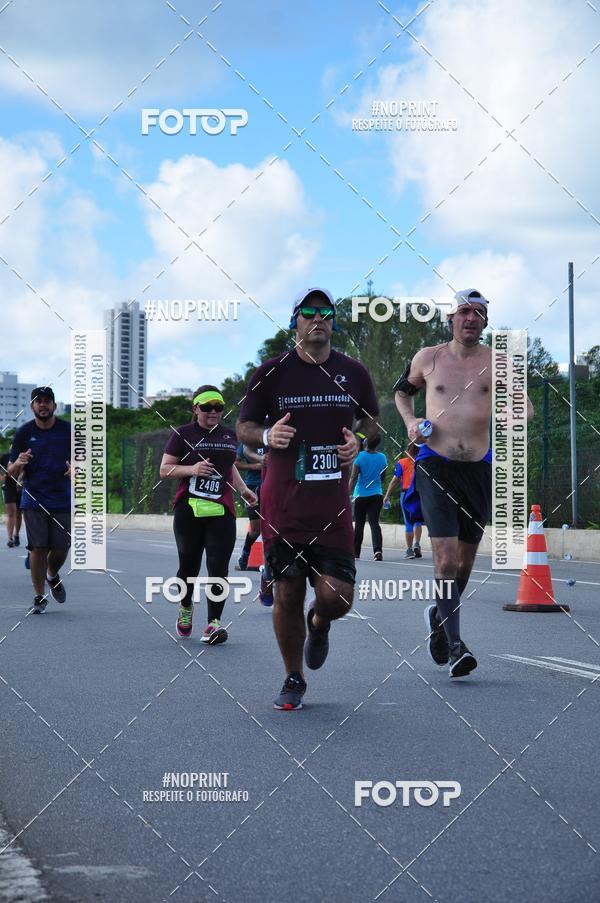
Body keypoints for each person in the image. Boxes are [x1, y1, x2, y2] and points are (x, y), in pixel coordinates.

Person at [237, 287, 379, 710]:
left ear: (332, 321)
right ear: (295, 320)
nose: (317, 318)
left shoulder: (353, 372)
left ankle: (319, 623)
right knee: (287, 593)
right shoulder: (271, 372)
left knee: (338, 596)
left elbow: (372, 420)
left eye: (325, 312)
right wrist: (266, 436)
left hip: (333, 508)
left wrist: (360, 440)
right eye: (308, 312)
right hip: (283, 506)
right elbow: (243, 426)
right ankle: (293, 676)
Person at [394, 289, 534, 678]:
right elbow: (402, 393)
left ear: (486, 321)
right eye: (464, 312)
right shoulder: (428, 358)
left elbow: (527, 406)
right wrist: (409, 423)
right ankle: (456, 646)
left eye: (479, 313)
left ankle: (440, 620)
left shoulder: (498, 362)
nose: (471, 318)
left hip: (479, 468)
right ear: (451, 319)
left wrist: (514, 412)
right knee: (445, 559)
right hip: (434, 464)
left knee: (465, 563)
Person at [160, 385, 257, 643]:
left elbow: (229, 468)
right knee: (188, 567)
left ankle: (213, 624)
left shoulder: (229, 436)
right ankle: (185, 606)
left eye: (218, 407)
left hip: (221, 509)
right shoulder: (183, 434)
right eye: (207, 407)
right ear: (195, 409)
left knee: (218, 567)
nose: (213, 412)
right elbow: (165, 469)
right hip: (188, 509)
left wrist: (244, 490)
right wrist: (192, 469)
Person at [7, 387, 72, 613]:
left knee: (61, 548)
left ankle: (51, 575)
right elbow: (10, 472)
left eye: (47, 401)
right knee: (37, 548)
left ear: (54, 405)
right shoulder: (24, 433)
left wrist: (76, 469)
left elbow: (83, 462)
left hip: (61, 499)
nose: (42, 405)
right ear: (32, 406)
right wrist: (19, 463)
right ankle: (39, 596)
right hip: (33, 499)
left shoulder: (68, 430)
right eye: (38, 401)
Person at [349, 434, 387, 560]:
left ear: (365, 443)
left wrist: (347, 493)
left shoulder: (359, 457)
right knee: (374, 523)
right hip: (376, 494)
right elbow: (383, 478)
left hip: (360, 495)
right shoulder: (383, 458)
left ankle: (355, 552)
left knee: (359, 524)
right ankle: (377, 551)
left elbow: (353, 477)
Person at [382, 442, 423, 558]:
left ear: (408, 450)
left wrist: (387, 495)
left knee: (408, 522)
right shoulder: (421, 463)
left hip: (406, 494)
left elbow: (395, 480)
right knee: (418, 521)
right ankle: (417, 544)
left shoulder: (402, 462)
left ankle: (409, 550)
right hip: (419, 494)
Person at [1, 451, 23, 547]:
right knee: (11, 512)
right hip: (9, 486)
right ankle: (10, 538)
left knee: (18, 513)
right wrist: (2, 477)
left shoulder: (23, 455)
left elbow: (26, 471)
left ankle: (16, 535)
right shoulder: (5, 456)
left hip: (21, 487)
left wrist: (20, 480)